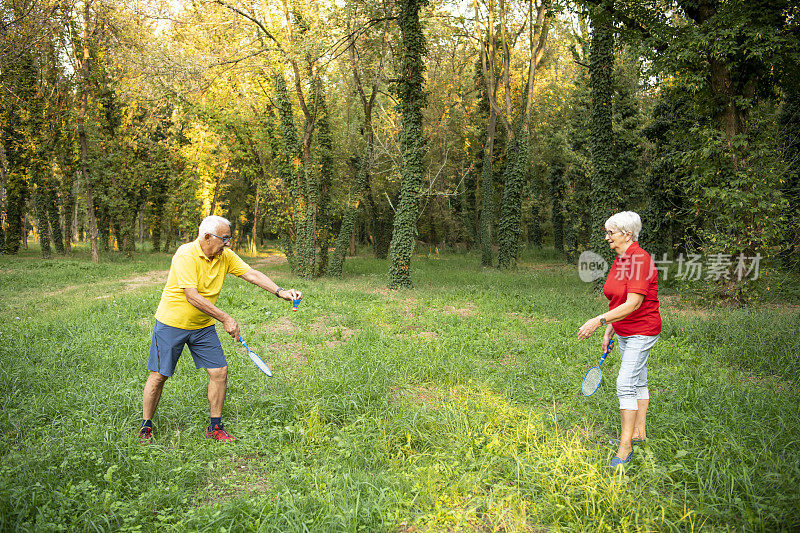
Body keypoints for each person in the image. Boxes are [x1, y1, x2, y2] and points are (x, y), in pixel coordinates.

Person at [139, 215, 302, 443]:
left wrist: (280, 291)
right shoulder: (186, 254)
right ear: (207, 237)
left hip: (203, 325)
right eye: (224, 238)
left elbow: (251, 274)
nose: (228, 243)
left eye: (229, 238)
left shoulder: (224, 257)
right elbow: (192, 296)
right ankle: (146, 426)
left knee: (219, 372)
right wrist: (225, 318)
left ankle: (215, 427)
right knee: (159, 375)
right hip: (172, 324)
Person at [577, 211, 661, 468]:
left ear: (626, 233)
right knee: (639, 380)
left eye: (610, 232)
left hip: (642, 330)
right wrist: (610, 329)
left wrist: (597, 321)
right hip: (623, 330)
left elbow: (634, 303)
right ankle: (638, 434)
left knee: (625, 384)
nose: (607, 237)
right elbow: (619, 299)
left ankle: (625, 449)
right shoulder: (621, 259)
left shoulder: (640, 259)